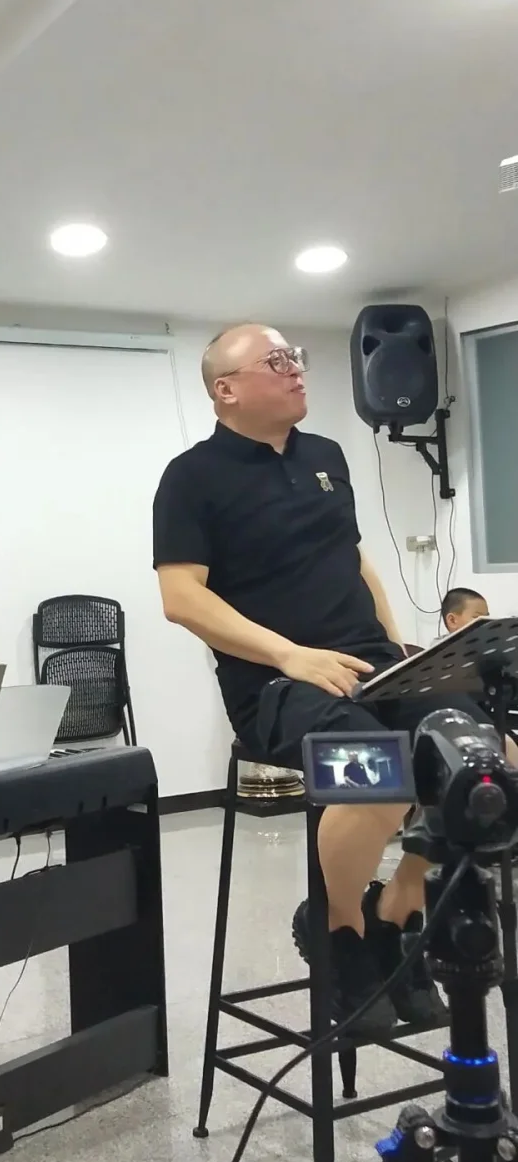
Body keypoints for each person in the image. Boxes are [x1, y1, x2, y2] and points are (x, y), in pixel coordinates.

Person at [152, 323, 489, 1037]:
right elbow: (181, 598)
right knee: (378, 775)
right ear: (226, 389)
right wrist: (289, 656)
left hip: (372, 662)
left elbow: (353, 558)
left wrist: (397, 646)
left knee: (487, 754)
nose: (296, 369)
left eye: (296, 358)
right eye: (276, 361)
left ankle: (398, 909)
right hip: (277, 687)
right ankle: (341, 934)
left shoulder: (327, 456)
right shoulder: (191, 477)